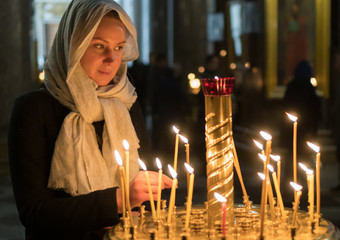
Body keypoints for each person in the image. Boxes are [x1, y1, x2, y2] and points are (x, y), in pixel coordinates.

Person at [7, 1, 172, 239]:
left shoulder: (125, 103)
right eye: (98, 45)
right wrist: (119, 199)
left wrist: (144, 202)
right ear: (72, 47)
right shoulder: (33, 109)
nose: (111, 58)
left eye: (118, 47)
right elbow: (34, 212)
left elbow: (140, 187)